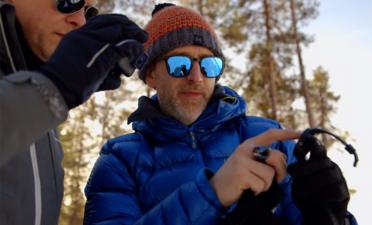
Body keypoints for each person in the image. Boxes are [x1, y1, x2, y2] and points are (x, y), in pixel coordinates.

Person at [84, 3, 357, 225]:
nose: (195, 76)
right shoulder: (118, 161)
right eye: (179, 64)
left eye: (209, 64)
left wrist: (332, 216)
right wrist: (211, 195)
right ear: (151, 75)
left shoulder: (268, 138)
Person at [0, 0, 148, 224]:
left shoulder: (41, 106)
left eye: (88, 11)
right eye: (69, 2)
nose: (80, 21)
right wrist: (52, 88)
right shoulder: (44, 97)